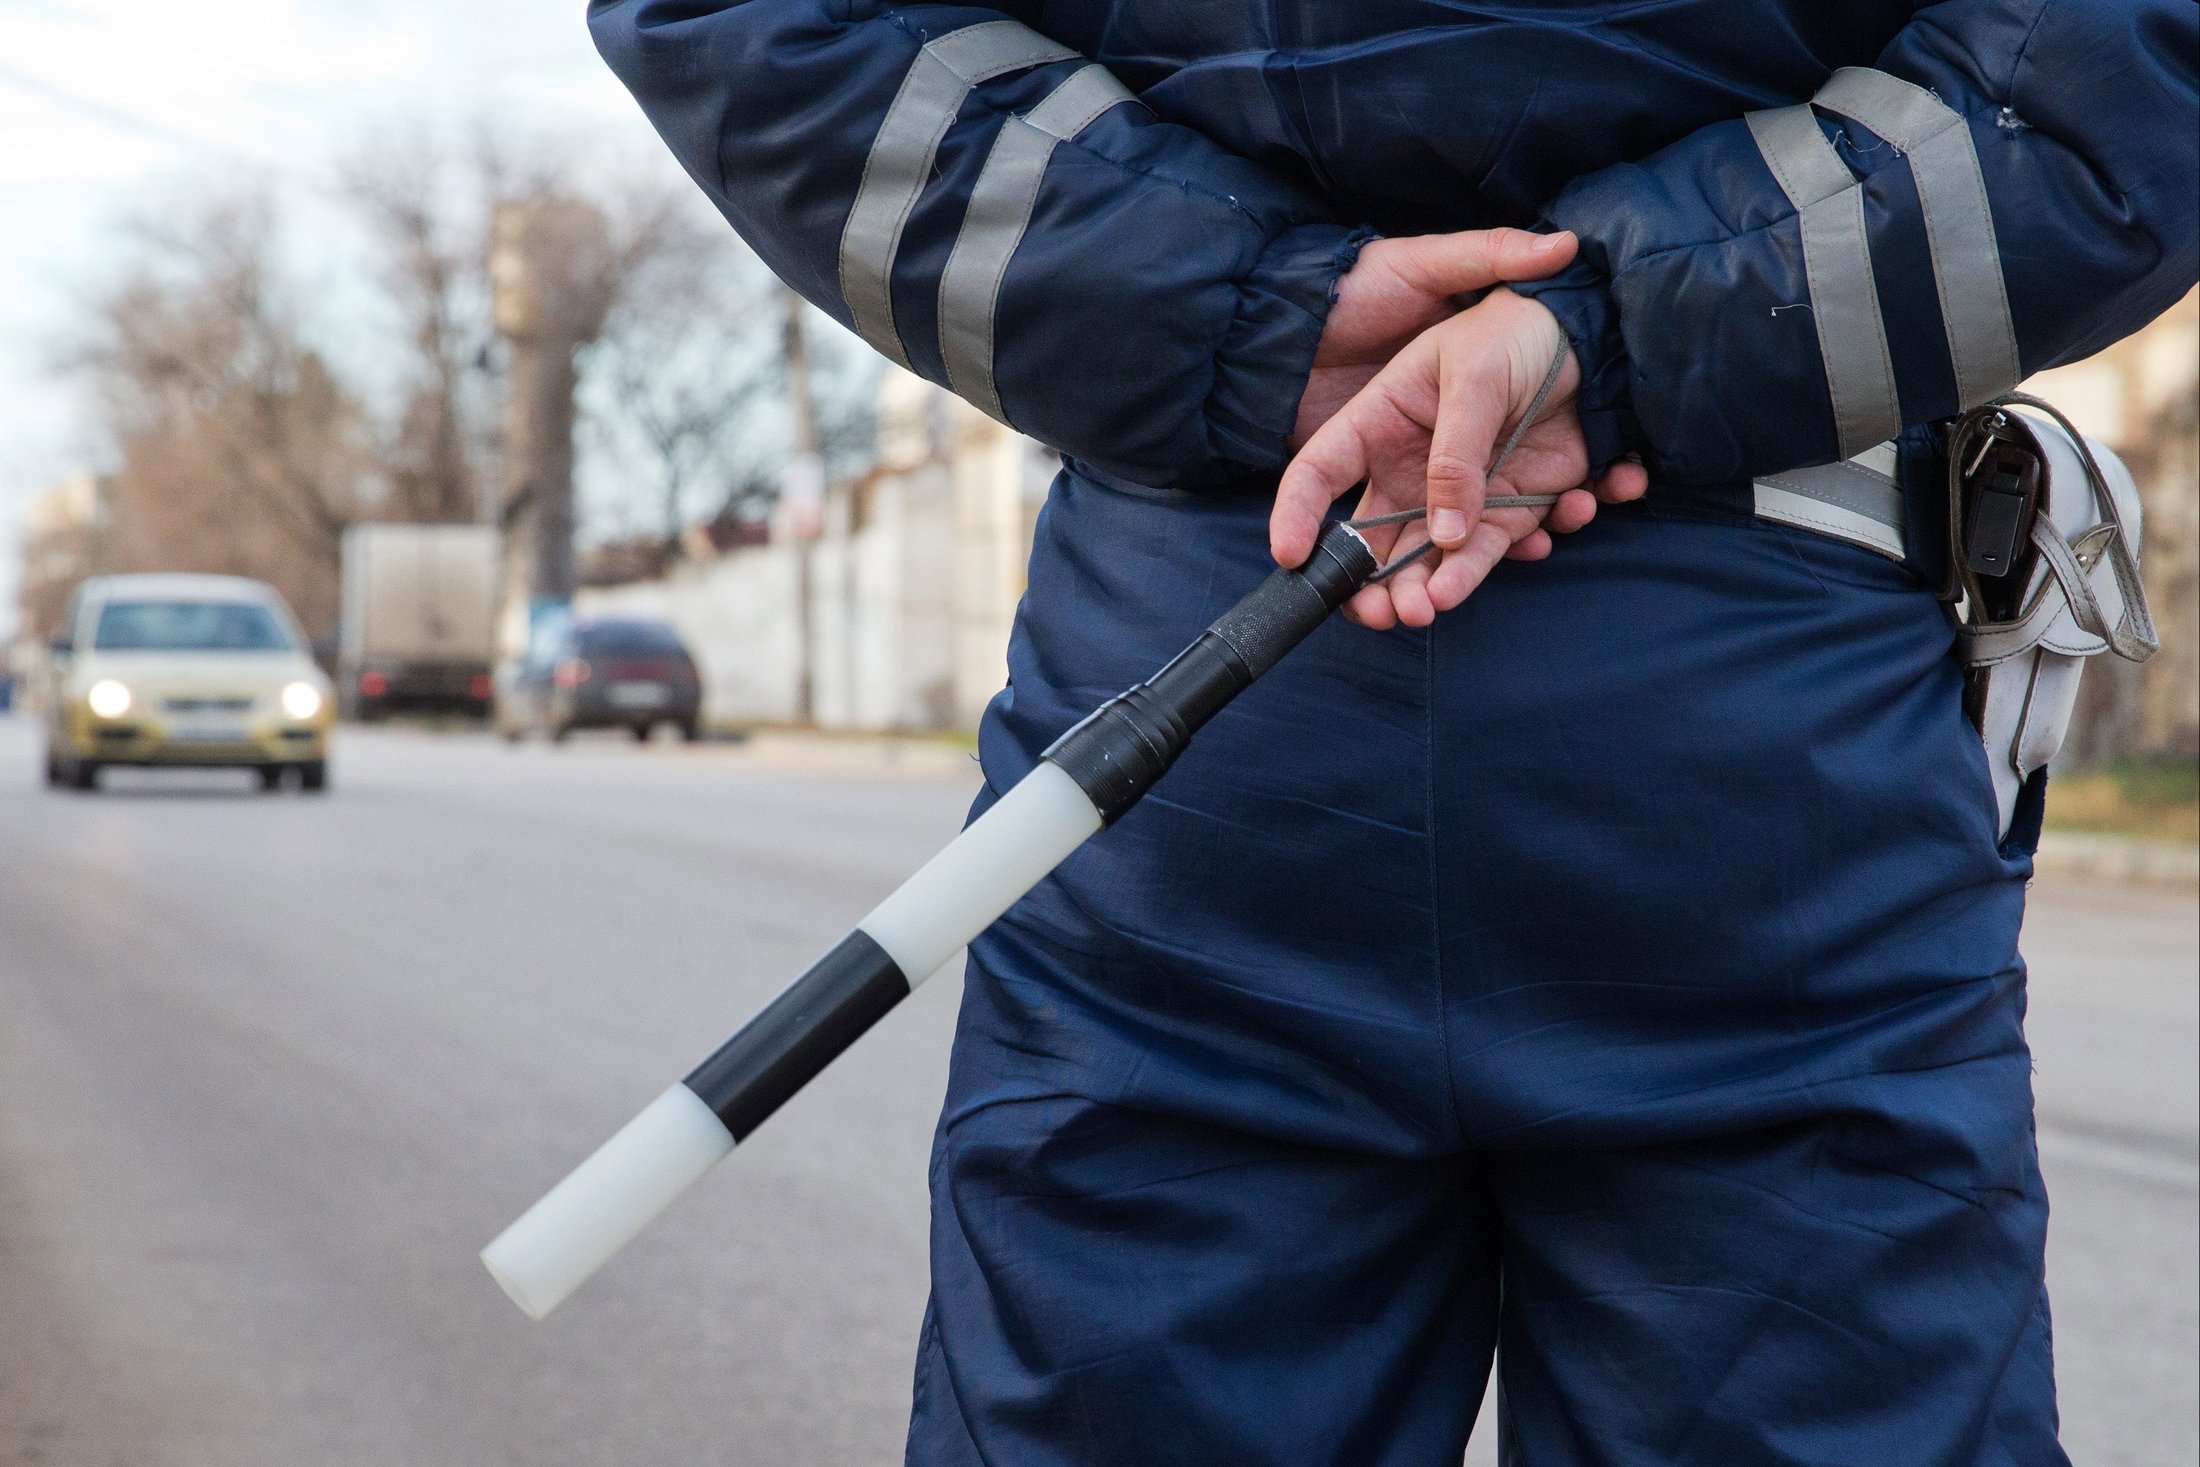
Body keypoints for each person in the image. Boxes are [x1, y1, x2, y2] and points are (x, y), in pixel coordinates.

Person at [587, 1, 2197, 1460]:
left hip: (1198, 711)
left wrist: (1249, 315)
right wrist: (1617, 330)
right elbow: (2122, 67)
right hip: (1762, 744)